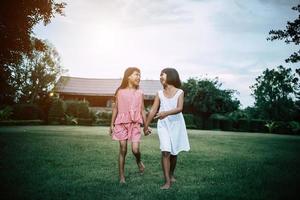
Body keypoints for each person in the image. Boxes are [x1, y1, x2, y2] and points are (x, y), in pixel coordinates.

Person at [144, 68, 190, 189]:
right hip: (163, 124)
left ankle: (171, 174)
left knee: (174, 153)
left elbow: (180, 108)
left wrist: (166, 113)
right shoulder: (159, 93)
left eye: (162, 75)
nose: (160, 77)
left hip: (176, 124)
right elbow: (153, 110)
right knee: (166, 151)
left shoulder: (180, 92)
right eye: (159, 75)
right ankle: (167, 182)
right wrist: (146, 125)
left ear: (170, 76)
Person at [110, 67, 151, 184]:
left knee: (135, 149)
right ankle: (122, 177)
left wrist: (146, 126)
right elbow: (116, 108)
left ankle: (138, 161)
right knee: (123, 149)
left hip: (135, 124)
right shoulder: (120, 91)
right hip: (121, 123)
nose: (139, 77)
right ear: (128, 76)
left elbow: (142, 109)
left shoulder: (140, 92)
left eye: (140, 75)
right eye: (136, 74)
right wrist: (111, 124)